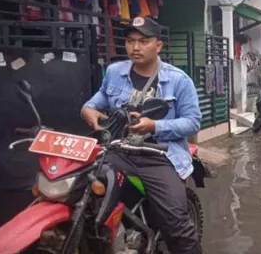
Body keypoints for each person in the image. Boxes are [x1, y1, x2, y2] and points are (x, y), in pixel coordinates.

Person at [80, 17, 201, 254]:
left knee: (177, 226)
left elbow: (193, 122)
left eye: (143, 41)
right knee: (82, 195)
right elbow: (98, 100)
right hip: (118, 151)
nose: (135, 47)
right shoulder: (115, 72)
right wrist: (88, 110)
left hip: (160, 156)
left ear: (158, 46)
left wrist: (155, 126)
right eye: (130, 41)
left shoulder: (178, 80)